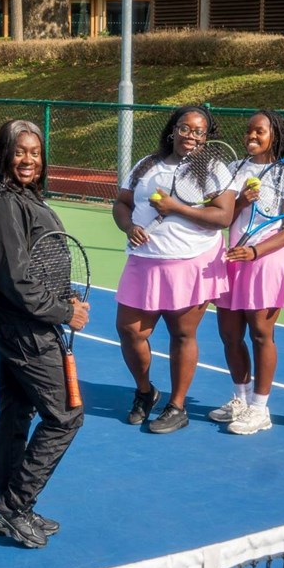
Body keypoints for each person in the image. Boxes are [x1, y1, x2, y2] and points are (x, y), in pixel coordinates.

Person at [0, 120, 89, 549]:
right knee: (65, 417)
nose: (29, 160)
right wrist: (64, 311)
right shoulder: (6, 202)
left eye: (36, 153)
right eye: (21, 152)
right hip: (26, 328)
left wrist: (63, 294)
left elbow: (35, 265)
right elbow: (15, 277)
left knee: (15, 414)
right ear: (6, 154)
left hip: (22, 324)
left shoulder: (23, 196)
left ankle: (12, 508)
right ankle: (12, 505)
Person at [112, 105, 235, 434]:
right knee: (130, 330)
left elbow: (223, 216)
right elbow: (122, 203)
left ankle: (177, 406)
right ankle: (145, 391)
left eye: (198, 131)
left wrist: (175, 207)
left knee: (182, 334)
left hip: (190, 261)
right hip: (144, 260)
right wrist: (128, 227)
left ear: (207, 137)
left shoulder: (214, 169)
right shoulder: (146, 165)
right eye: (185, 128)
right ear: (173, 129)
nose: (191, 136)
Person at [210, 110, 284, 435]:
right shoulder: (234, 169)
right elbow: (221, 216)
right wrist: (240, 202)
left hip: (265, 261)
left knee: (261, 334)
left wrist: (254, 252)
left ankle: (260, 408)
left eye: (259, 131)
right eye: (249, 130)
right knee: (229, 335)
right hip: (233, 260)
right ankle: (240, 397)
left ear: (274, 134)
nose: (251, 135)